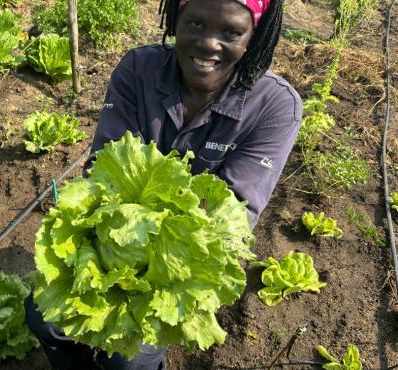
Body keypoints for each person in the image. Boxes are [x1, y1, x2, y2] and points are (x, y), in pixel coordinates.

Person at [25, 0, 302, 369]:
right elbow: (104, 169)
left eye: (231, 33)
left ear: (254, 35)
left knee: (128, 363)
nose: (209, 44)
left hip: (180, 273)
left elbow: (234, 212)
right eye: (196, 25)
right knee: (44, 316)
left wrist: (165, 239)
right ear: (175, 20)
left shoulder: (274, 106)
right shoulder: (139, 69)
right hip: (104, 252)